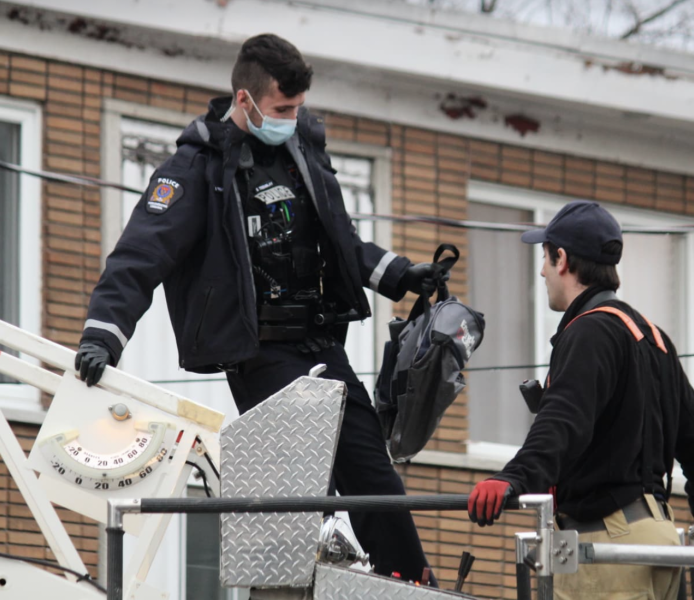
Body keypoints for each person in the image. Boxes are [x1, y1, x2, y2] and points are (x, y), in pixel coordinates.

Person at [75, 34, 443, 584]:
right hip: (260, 351)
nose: (293, 119)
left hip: (320, 342)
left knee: (372, 471)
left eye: (298, 108)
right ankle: (290, 580)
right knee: (298, 481)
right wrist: (103, 336)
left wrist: (398, 274)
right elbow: (139, 256)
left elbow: (339, 240)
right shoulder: (195, 168)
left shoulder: (302, 155)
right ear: (244, 101)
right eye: (282, 109)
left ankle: (413, 584)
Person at [466, 200, 694, 600]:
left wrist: (512, 477)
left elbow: (562, 422)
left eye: (545, 259)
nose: (541, 272)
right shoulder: (652, 338)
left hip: (608, 551)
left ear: (563, 259)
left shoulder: (590, 333)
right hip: (659, 543)